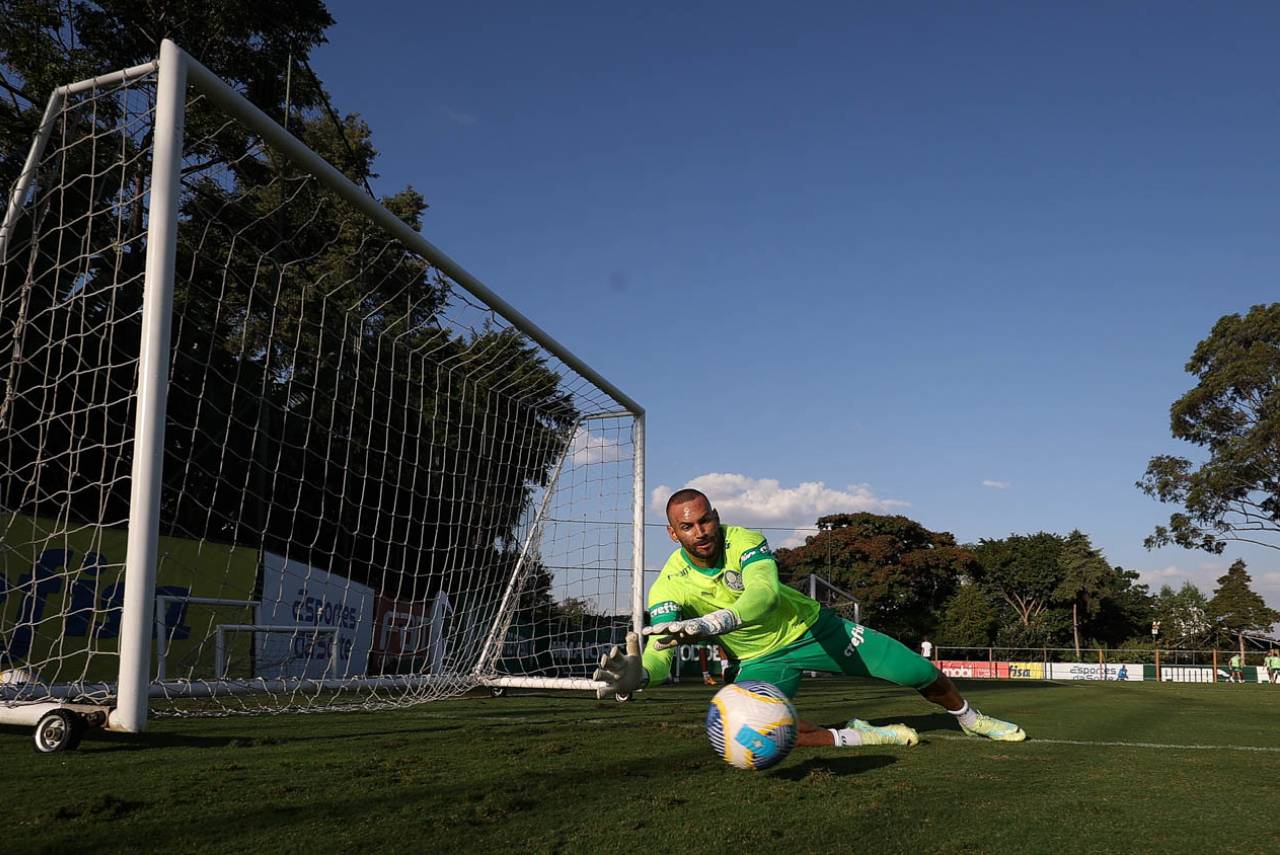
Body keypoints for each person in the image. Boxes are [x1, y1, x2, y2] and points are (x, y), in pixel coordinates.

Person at [594, 489, 1026, 747]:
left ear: (716, 518)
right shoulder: (669, 584)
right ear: (673, 533)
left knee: (918, 671)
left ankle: (971, 720)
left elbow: (762, 595)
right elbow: (660, 646)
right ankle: (862, 736)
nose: (700, 532)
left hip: (817, 631)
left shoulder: (745, 540)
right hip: (761, 661)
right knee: (757, 734)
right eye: (687, 527)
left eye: (705, 520)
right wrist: (643, 676)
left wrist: (715, 623)